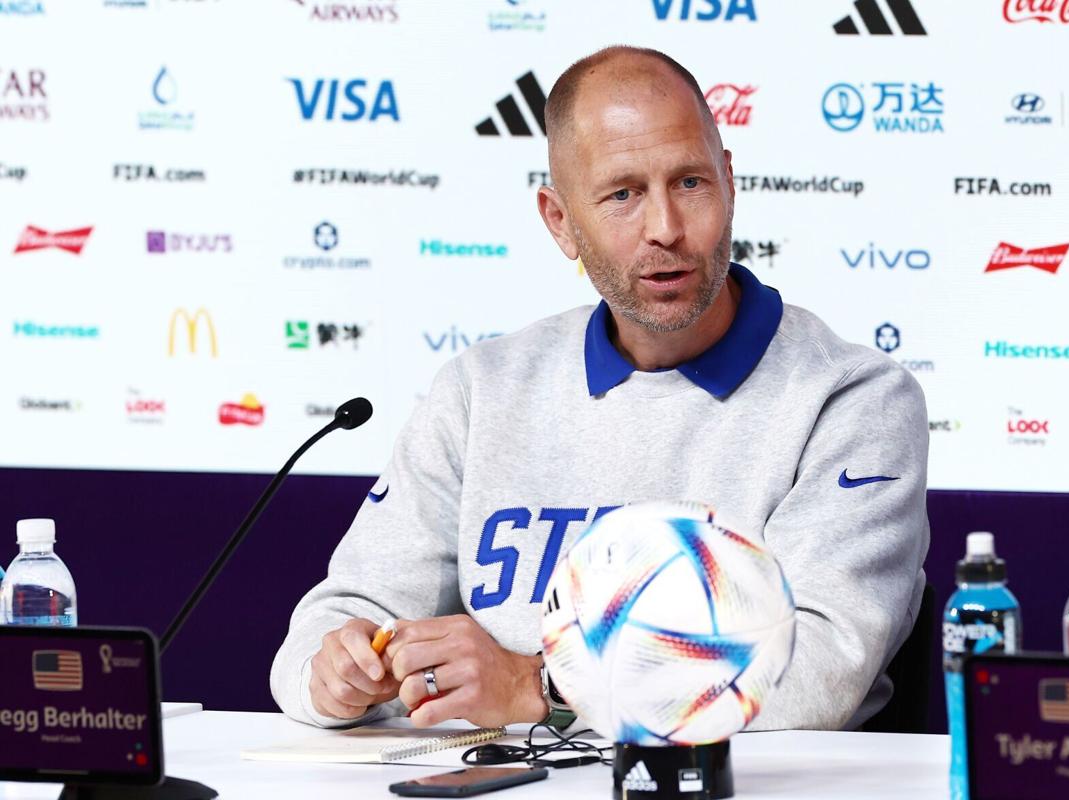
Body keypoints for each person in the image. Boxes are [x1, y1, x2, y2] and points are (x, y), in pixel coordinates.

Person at [270, 45, 930, 733]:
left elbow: (819, 674)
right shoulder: (480, 390)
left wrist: (540, 686)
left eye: (691, 183)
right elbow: (334, 624)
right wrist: (339, 675)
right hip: (493, 775)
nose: (665, 229)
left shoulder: (853, 399)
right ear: (560, 221)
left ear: (730, 184)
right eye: (622, 195)